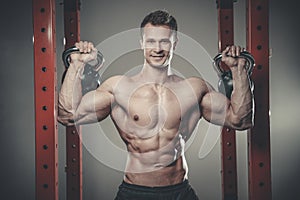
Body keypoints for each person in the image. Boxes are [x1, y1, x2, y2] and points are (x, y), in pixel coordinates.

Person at [58, 10, 254, 200]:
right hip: (134, 192)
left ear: (175, 44)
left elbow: (240, 120)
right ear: (141, 43)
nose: (157, 48)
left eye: (164, 41)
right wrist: (77, 64)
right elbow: (67, 115)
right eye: (151, 41)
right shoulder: (119, 88)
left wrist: (239, 70)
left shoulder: (194, 89)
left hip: (179, 191)